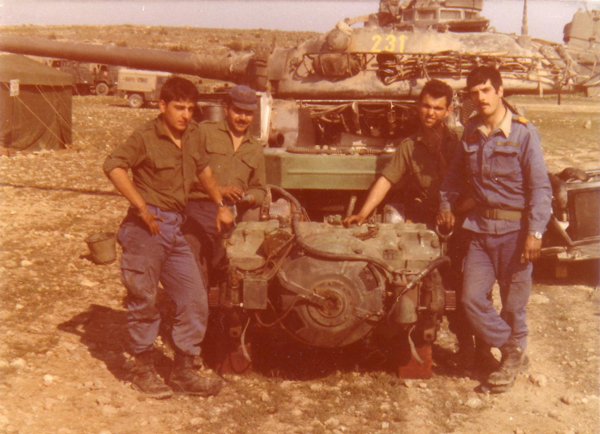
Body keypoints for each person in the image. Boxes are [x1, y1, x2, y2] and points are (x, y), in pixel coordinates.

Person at [103, 77, 234, 399]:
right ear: (162, 106)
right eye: (178, 107)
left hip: (175, 228)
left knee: (194, 298)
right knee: (144, 300)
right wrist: (141, 208)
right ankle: (142, 370)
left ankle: (184, 372)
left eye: (190, 108)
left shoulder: (193, 134)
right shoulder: (145, 136)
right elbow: (113, 166)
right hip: (146, 229)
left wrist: (220, 205)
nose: (185, 114)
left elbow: (203, 171)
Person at [343, 79, 481, 366]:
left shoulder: (461, 142)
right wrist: (363, 214)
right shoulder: (409, 146)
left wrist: (455, 212)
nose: (430, 113)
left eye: (438, 108)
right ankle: (416, 343)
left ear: (448, 111)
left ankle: (469, 348)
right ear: (418, 107)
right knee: (420, 284)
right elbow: (387, 179)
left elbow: (476, 184)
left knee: (464, 285)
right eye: (426, 106)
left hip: (459, 220)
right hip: (425, 224)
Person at [437, 66, 552, 392]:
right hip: (479, 230)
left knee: (514, 306)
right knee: (472, 299)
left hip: (516, 233)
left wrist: (536, 233)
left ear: (500, 91)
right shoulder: (471, 131)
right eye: (474, 93)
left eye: (486, 90)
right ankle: (513, 351)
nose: (480, 98)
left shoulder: (523, 133)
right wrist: (445, 204)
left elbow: (540, 188)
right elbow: (454, 176)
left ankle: (509, 363)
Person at [184, 85, 266, 284]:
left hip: (234, 216)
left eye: (248, 113)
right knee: (194, 260)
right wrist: (219, 190)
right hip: (199, 210)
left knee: (230, 275)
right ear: (226, 108)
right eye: (238, 111)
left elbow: (260, 188)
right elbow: (184, 175)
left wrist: (248, 197)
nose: (243, 118)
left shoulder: (255, 148)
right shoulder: (205, 132)